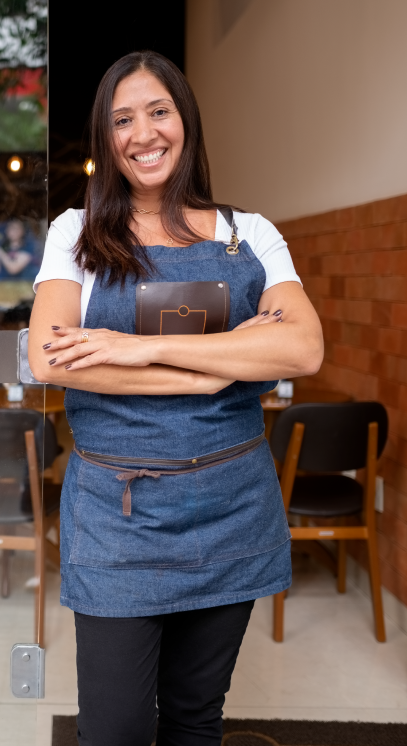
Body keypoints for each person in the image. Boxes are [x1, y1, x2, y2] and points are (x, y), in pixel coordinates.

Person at [28, 51, 323, 746]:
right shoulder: (74, 235)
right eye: (122, 119)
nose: (143, 133)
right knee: (116, 729)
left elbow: (303, 349)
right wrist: (221, 367)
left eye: (158, 111)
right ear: (106, 140)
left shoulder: (249, 233)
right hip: (115, 516)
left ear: (185, 121)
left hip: (231, 508)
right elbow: (50, 356)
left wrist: (137, 347)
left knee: (196, 718)